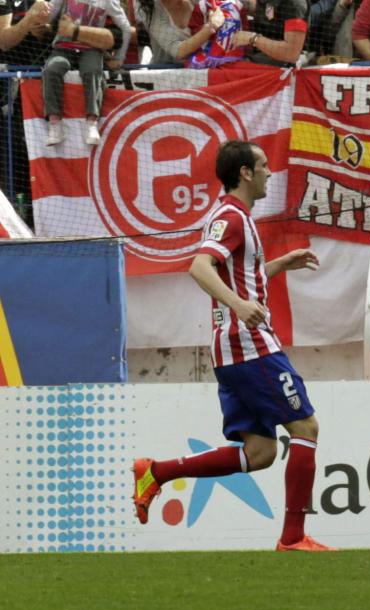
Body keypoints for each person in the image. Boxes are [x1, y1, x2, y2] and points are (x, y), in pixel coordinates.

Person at [132, 140, 335, 553]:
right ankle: (293, 538)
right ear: (245, 172)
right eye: (262, 165)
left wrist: (279, 264)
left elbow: (242, 276)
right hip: (250, 348)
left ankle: (156, 472)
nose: (268, 172)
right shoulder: (231, 217)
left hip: (232, 352)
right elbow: (198, 266)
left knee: (259, 452)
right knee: (306, 428)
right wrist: (241, 306)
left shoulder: (237, 218)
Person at [42, 0, 133, 146]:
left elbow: (126, 28)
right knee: (51, 69)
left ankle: (92, 123)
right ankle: (54, 123)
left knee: (92, 70)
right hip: (64, 46)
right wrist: (41, 13)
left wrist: (119, 58)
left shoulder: (109, 1)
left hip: (91, 48)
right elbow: (49, 14)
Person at [232, 0, 306, 66]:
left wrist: (253, 39)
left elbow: (291, 54)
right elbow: (254, 6)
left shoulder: (295, 4)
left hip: (287, 63)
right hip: (258, 53)